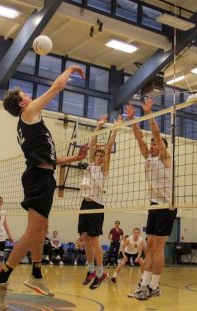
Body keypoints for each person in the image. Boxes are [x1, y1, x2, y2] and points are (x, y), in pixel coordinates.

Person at [0, 65, 88, 310]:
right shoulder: (30, 112)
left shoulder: (30, 124)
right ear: (22, 104)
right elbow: (57, 86)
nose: (31, 98)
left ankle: (36, 274)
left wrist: (75, 159)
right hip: (38, 179)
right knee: (33, 232)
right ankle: (1, 278)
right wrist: (70, 68)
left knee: (41, 229)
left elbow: (49, 160)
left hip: (44, 177)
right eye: (26, 97)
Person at [126, 98, 175, 300]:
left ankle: (154, 285)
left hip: (168, 205)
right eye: (153, 143)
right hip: (154, 205)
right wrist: (133, 121)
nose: (153, 145)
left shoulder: (166, 157)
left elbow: (155, 133)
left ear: (162, 145)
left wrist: (149, 114)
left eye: (156, 143)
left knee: (157, 247)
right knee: (150, 246)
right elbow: (140, 139)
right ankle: (144, 285)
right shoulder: (148, 156)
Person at [79, 113, 121, 290]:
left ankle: (101, 271)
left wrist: (115, 128)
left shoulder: (103, 169)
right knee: (85, 238)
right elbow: (93, 144)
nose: (99, 157)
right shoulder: (90, 165)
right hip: (85, 204)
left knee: (94, 241)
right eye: (97, 155)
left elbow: (109, 146)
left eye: (101, 156)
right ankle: (90, 270)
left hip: (96, 205)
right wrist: (99, 126)